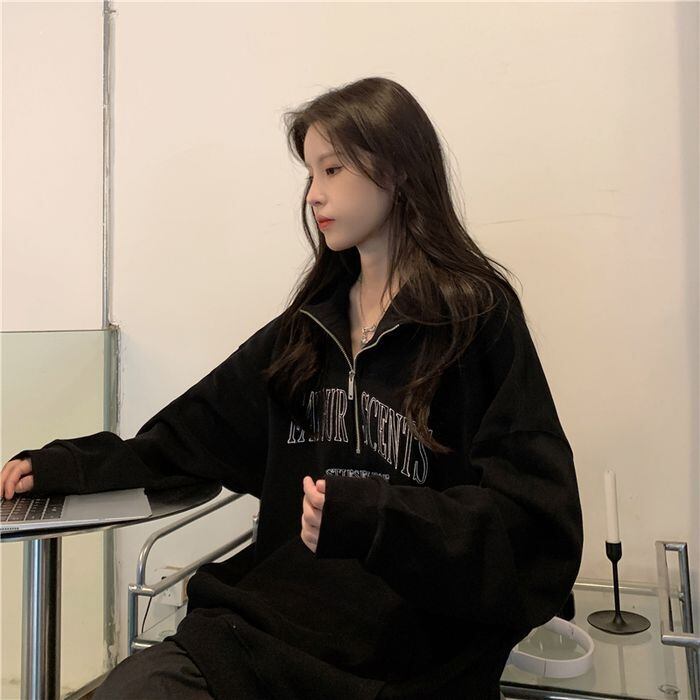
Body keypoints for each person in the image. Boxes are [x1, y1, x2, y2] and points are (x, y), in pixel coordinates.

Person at [1, 76, 583, 699]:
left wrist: (377, 518)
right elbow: (188, 439)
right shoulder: (306, 329)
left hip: (413, 652)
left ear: (399, 169)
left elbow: (537, 526)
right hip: (271, 629)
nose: (313, 195)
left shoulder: (475, 319)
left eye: (332, 169)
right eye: (309, 174)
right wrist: (71, 466)